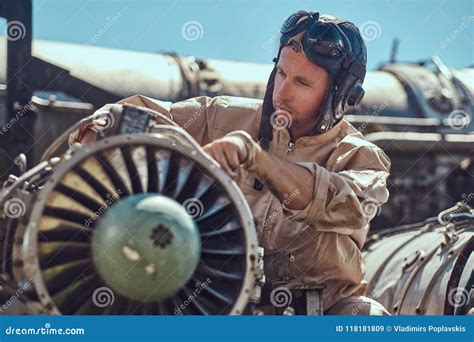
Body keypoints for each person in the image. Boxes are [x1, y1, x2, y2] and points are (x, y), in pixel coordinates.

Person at [70, 11, 391, 315]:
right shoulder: (220, 116)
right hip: (215, 304)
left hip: (324, 314)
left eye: (302, 83)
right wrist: (108, 126)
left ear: (343, 96)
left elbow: (347, 205)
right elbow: (140, 118)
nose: (283, 91)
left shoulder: (360, 156)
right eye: (281, 72)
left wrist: (256, 158)